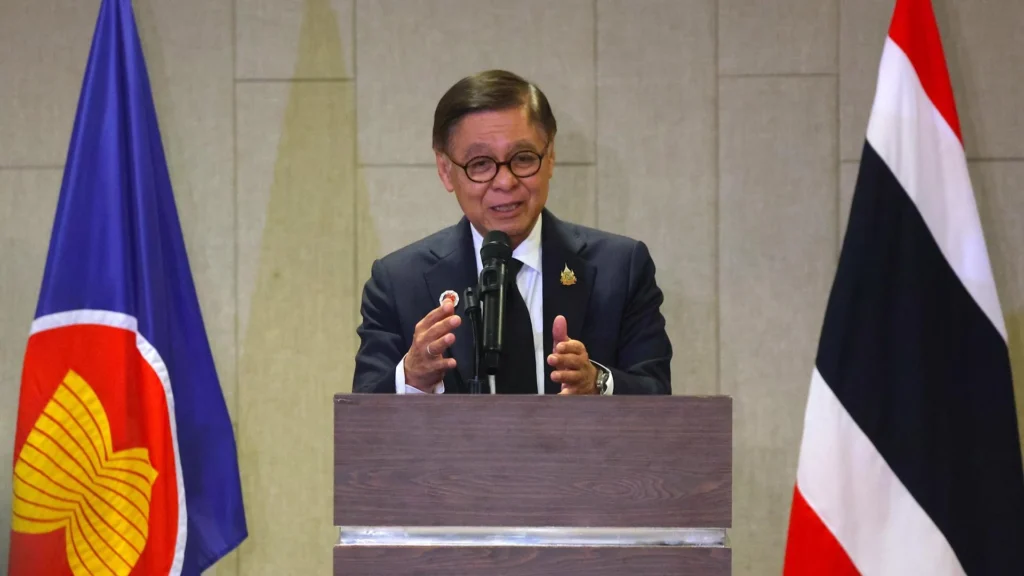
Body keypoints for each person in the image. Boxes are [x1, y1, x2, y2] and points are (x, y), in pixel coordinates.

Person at [353, 70, 671, 395]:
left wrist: (598, 384)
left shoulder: (621, 269)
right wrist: (411, 378)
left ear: (550, 158)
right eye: (480, 164)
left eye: (522, 158)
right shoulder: (398, 283)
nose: (505, 182)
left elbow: (660, 398)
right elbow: (362, 422)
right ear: (446, 170)